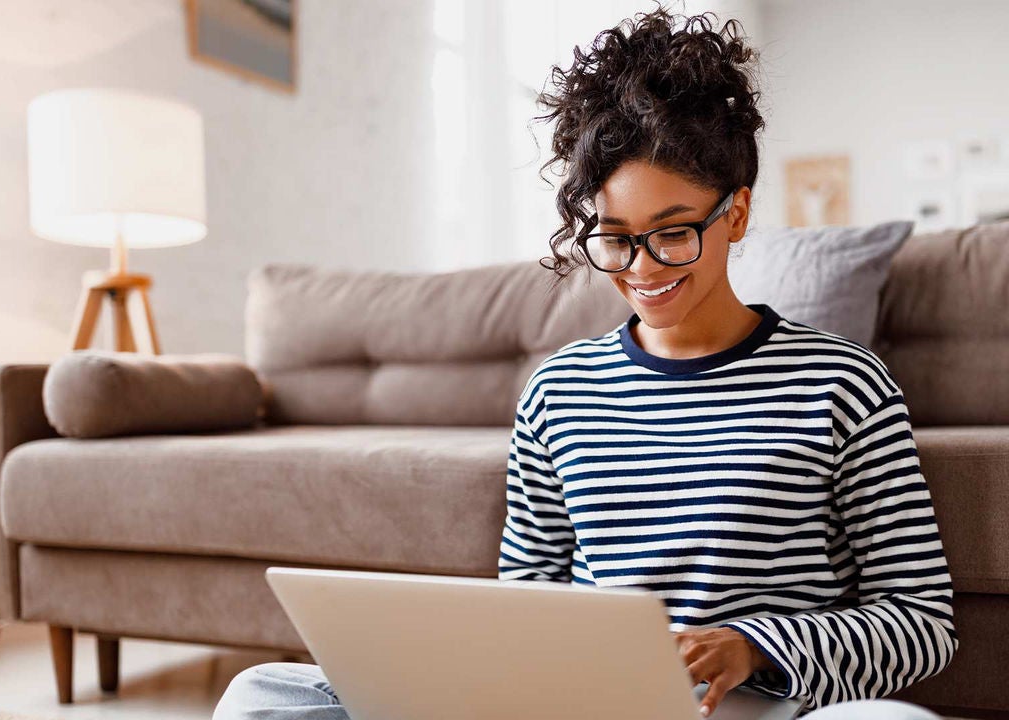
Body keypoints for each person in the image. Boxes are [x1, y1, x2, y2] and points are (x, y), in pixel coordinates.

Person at [214, 7, 958, 719]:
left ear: (735, 213)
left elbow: (922, 622)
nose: (642, 268)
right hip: (586, 709)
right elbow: (523, 604)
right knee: (264, 695)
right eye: (614, 237)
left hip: (767, 707)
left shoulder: (844, 383)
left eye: (673, 233)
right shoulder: (559, 390)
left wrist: (750, 646)